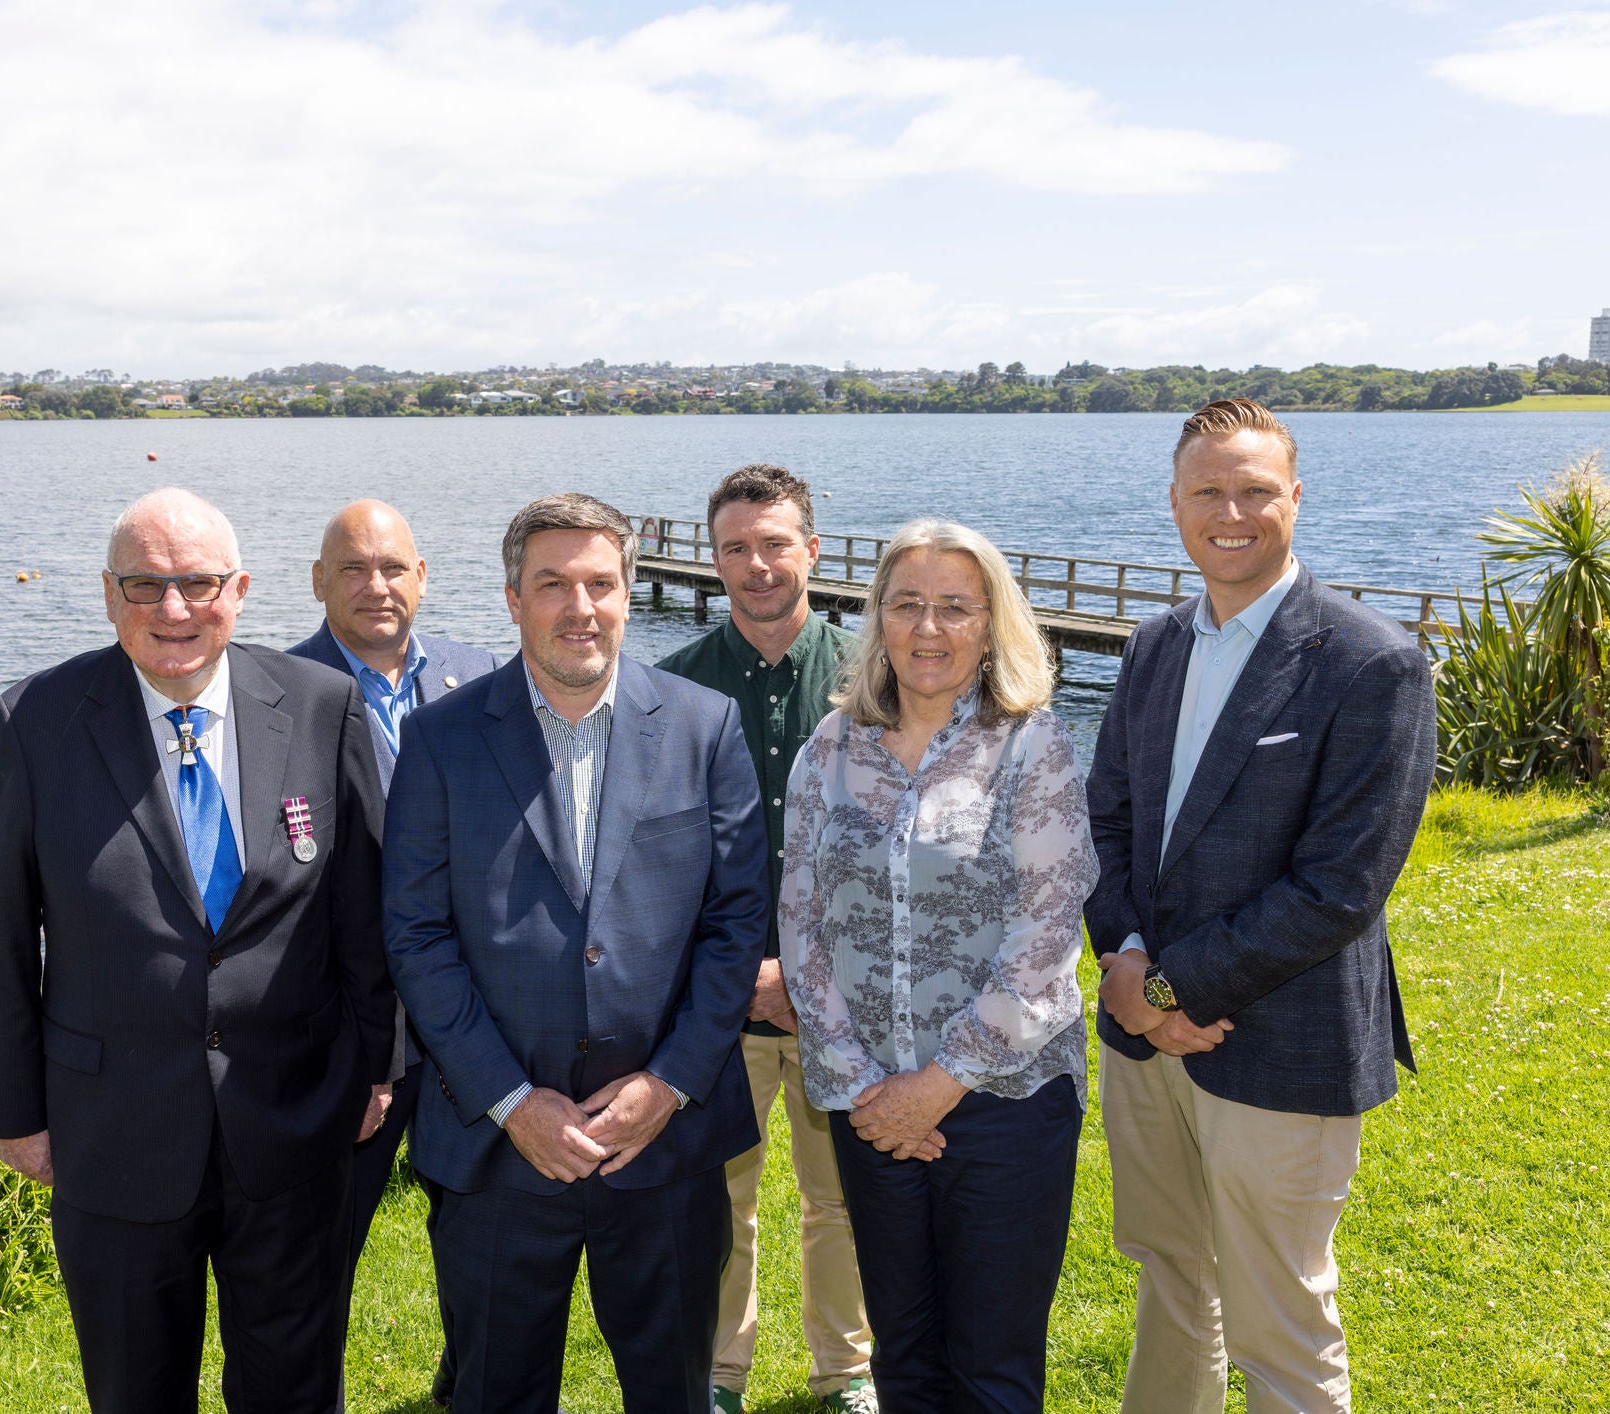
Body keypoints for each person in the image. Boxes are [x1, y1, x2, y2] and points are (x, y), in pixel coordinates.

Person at [0, 488, 395, 1414]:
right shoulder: (32, 724)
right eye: (144, 584)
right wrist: (16, 1112)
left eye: (197, 583)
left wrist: (380, 1069)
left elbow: (364, 912)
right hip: (113, 1131)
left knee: (292, 1385)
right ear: (107, 594)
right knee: (135, 1392)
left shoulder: (324, 707)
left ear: (238, 589)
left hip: (293, 1118)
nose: (174, 610)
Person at [1084, 398, 1437, 1414]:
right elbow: (1102, 818)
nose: (1228, 511)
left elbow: (1339, 885)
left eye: (1253, 490)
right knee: (1168, 1276)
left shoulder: (1370, 663)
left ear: (1294, 498)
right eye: (1207, 490)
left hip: (1280, 1038)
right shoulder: (1152, 645)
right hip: (1141, 1032)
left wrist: (1160, 984)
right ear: (1174, 502)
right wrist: (1130, 967)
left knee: (1278, 1314)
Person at [384, 492, 770, 1414]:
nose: (580, 605)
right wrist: (512, 1103)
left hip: (666, 1144)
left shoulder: (704, 726)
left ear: (630, 595)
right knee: (496, 1392)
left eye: (601, 582)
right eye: (553, 583)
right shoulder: (439, 740)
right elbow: (417, 933)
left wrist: (668, 1084)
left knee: (674, 1391)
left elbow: (736, 923)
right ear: (513, 599)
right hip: (499, 1149)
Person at [780, 519, 1097, 1414]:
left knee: (991, 1368)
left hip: (1006, 1106)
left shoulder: (1034, 749)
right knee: (905, 1358)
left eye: (955, 608)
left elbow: (1043, 942)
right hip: (868, 1102)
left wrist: (941, 1083)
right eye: (907, 605)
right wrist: (862, 1086)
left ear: (992, 626)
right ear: (876, 618)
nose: (929, 629)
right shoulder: (828, 752)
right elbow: (802, 927)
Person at [654, 465, 875, 1414]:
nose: (757, 565)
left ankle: (848, 1372)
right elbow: (656, 859)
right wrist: (741, 969)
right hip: (720, 1003)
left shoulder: (881, 679)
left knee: (843, 1202)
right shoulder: (668, 691)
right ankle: (719, 1373)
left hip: (851, 1001)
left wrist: (813, 969)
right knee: (719, 1203)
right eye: (736, 548)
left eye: (775, 544)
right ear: (714, 560)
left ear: (813, 552)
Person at [287, 498, 500, 1411]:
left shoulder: (481, 676)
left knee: (483, 1222)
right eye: (354, 569)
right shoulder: (273, 690)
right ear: (319, 583)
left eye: (393, 568)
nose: (376, 586)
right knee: (323, 1239)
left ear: (423, 578)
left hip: (468, 1012)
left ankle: (474, 1379)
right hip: (344, 1018)